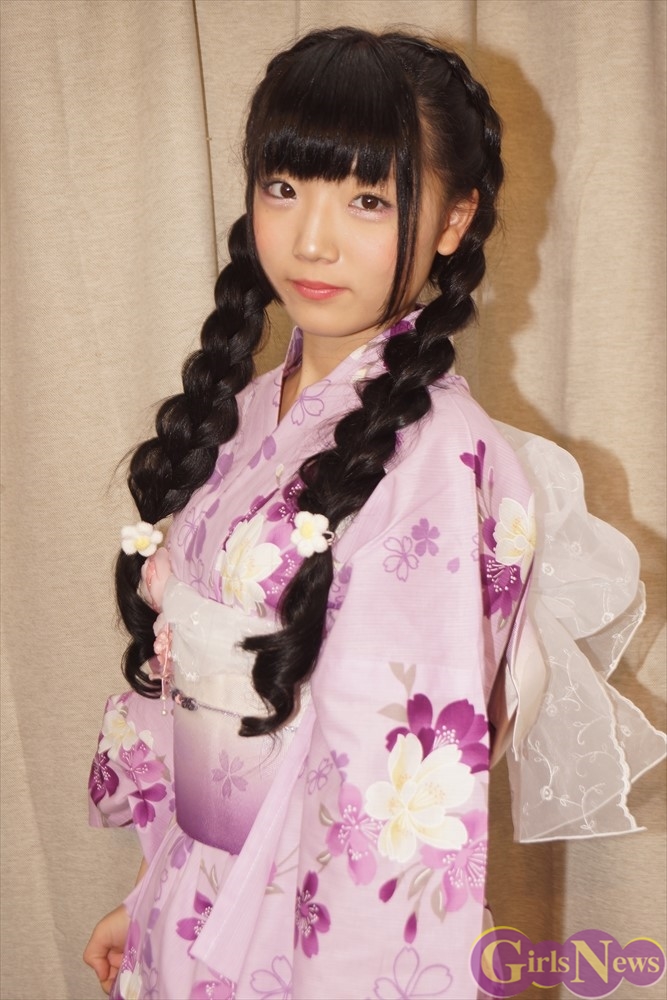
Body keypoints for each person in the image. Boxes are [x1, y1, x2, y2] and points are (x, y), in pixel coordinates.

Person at [83, 26, 665, 1000]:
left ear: (452, 219)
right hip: (204, 901)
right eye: (284, 187)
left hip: (314, 940)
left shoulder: (431, 453)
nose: (312, 238)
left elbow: (392, 793)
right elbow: (200, 713)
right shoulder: (246, 417)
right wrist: (154, 893)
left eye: (366, 200)